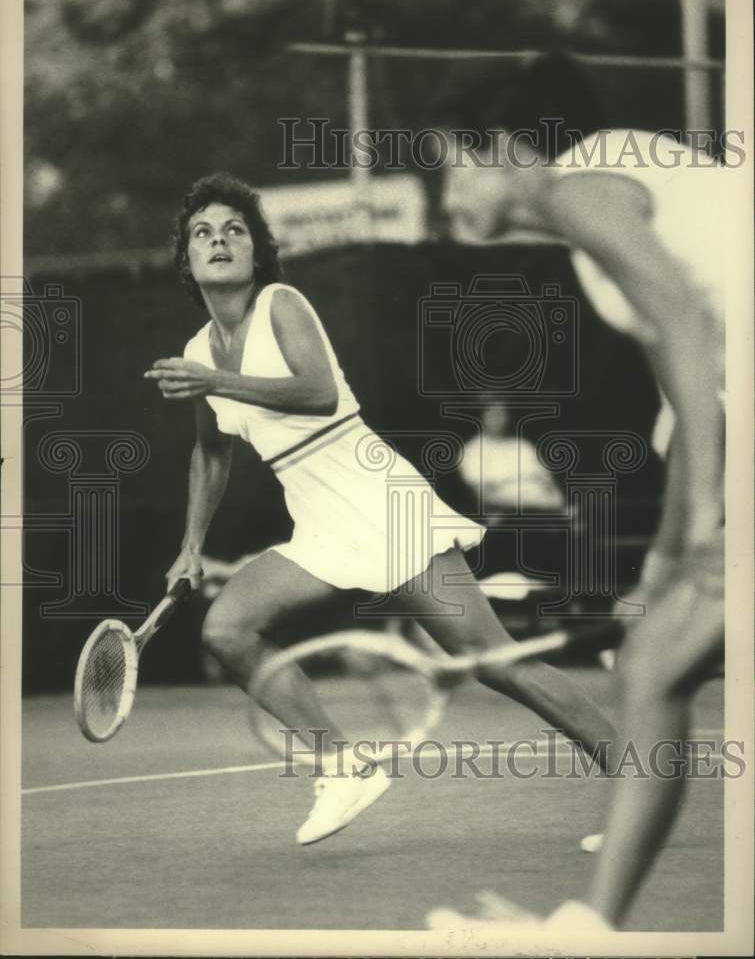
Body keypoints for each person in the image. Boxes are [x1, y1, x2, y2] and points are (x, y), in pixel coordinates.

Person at [145, 171, 621, 847]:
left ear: (256, 250)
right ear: (187, 261)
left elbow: (317, 394)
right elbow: (211, 454)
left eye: (233, 230)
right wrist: (191, 543)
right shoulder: (197, 352)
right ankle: (341, 768)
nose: (217, 240)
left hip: (378, 495)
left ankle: (632, 778)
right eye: (202, 233)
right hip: (318, 518)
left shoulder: (281, 304)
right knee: (227, 630)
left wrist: (216, 380)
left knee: (492, 660)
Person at [426, 53, 725, 931]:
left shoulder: (577, 185)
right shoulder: (606, 224)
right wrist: (665, 562)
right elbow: (692, 396)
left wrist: (706, 512)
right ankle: (587, 931)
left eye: (450, 169)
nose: (445, 200)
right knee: (650, 662)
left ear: (508, 148)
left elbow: (685, 322)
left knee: (658, 664)